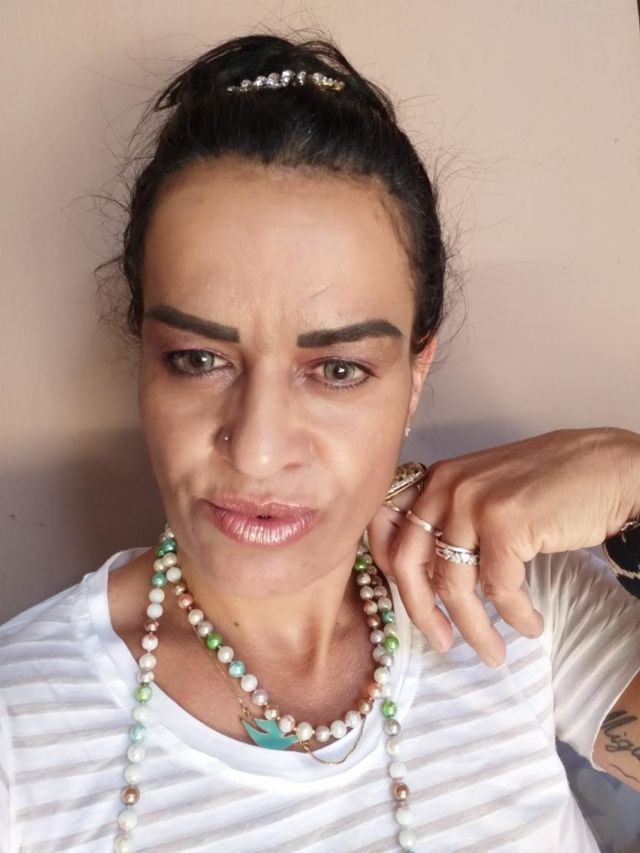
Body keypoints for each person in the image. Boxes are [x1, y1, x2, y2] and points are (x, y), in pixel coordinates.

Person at [1, 30, 640, 853]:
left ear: (415, 376)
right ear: (143, 358)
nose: (258, 449)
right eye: (197, 359)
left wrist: (631, 478)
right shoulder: (19, 735)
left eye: (337, 370)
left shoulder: (510, 600)